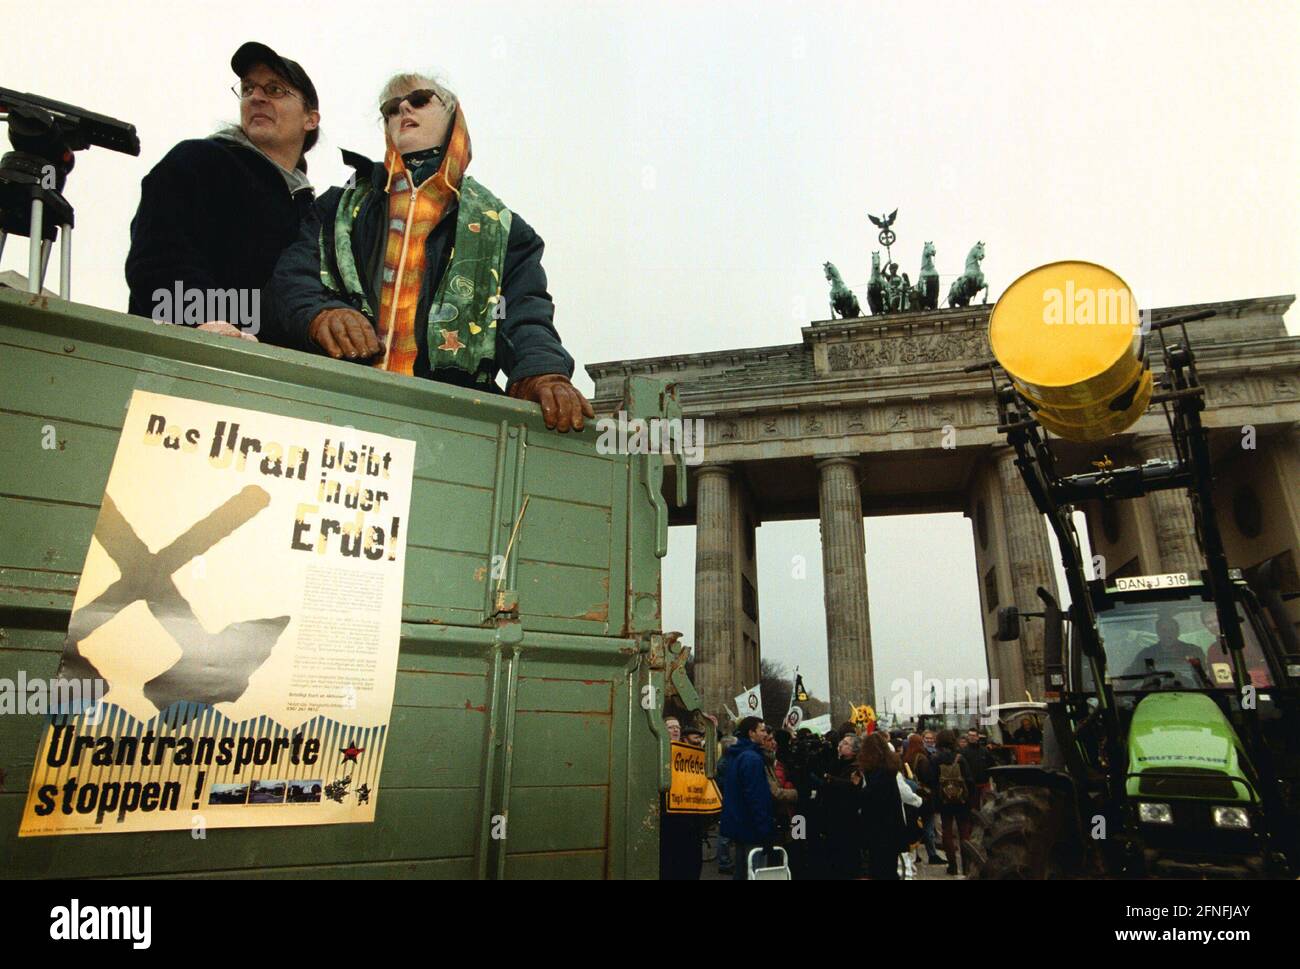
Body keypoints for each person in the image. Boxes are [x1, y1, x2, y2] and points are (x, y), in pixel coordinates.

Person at [268, 72, 592, 432]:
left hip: (445, 423)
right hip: (336, 408)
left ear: (454, 116)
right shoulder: (338, 206)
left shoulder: (504, 229)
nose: (403, 108)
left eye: (419, 99)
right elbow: (291, 279)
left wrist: (541, 372)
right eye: (391, 109)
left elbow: (524, 313)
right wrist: (319, 314)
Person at [126, 42, 321, 342]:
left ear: (311, 119)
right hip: (182, 357)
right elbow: (158, 256)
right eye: (247, 89)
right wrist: (205, 321)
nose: (256, 97)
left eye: (275, 90)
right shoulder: (198, 159)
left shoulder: (312, 212)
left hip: (274, 375)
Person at [719, 718, 775, 880]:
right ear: (752, 733)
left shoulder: (737, 755)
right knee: (756, 872)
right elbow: (757, 798)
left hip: (739, 824)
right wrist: (765, 829)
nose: (765, 734)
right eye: (762, 730)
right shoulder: (752, 758)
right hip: (752, 827)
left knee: (742, 870)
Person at [856, 733, 908, 881]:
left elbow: (870, 798)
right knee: (888, 869)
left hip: (879, 832)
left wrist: (857, 788)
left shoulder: (877, 774)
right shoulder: (889, 770)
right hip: (891, 830)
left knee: (881, 870)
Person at [928, 729, 977, 876]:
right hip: (962, 800)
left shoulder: (935, 759)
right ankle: (967, 866)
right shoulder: (960, 758)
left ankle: (953, 866)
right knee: (964, 833)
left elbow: (931, 780)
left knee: (947, 832)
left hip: (944, 801)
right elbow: (969, 780)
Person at [822, 731, 865, 880]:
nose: (841, 745)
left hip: (848, 819)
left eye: (846, 744)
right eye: (841, 742)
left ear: (854, 750)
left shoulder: (856, 766)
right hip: (834, 816)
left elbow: (851, 788)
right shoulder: (839, 762)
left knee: (847, 856)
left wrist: (830, 779)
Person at [1121, 617, 1206, 684]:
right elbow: (1132, 675)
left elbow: (1203, 676)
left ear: (1178, 632)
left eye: (1172, 630)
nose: (1168, 634)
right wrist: (1121, 682)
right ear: (1158, 632)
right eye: (1164, 630)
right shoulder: (1146, 654)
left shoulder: (1193, 651)